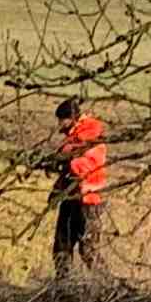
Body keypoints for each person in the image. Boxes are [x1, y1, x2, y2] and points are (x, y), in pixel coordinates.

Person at [46, 98, 108, 278]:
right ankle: (62, 288)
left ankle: (108, 287)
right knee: (61, 247)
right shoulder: (74, 138)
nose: (59, 125)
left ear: (71, 118)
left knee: (88, 251)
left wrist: (62, 159)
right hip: (70, 198)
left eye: (61, 120)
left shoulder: (91, 135)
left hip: (88, 200)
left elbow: (80, 165)